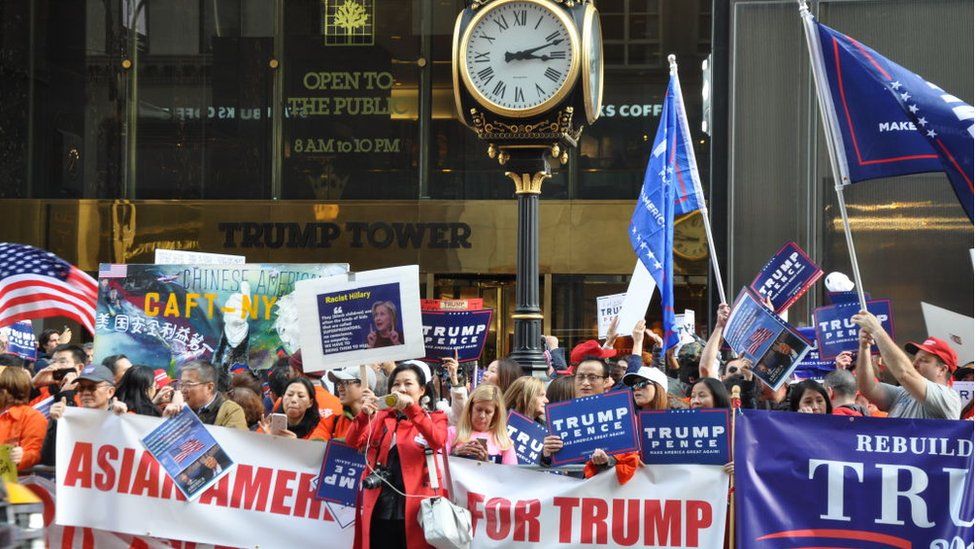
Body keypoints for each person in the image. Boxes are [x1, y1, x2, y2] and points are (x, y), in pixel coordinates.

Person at [345, 361, 448, 549]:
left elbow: (437, 440)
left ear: (422, 390)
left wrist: (411, 409)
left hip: (416, 510)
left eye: (408, 384)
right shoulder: (381, 417)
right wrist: (363, 415)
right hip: (379, 506)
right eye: (396, 384)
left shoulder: (435, 417)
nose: (401, 388)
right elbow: (353, 442)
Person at [852, 311, 961, 419]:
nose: (914, 364)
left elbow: (904, 373)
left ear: (942, 370)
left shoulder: (948, 398)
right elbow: (867, 388)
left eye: (923, 360)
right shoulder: (903, 393)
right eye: (915, 359)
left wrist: (877, 330)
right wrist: (864, 347)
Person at [41, 363, 123, 466]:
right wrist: (56, 422)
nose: (86, 392)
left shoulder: (121, 417)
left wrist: (121, 420)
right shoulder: (68, 418)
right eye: (81, 388)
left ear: (110, 392)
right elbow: (49, 460)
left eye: (92, 387)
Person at [163, 361, 247, 429]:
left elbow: (234, 446)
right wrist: (167, 420)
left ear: (209, 387)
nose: (182, 390)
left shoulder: (231, 411)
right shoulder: (178, 406)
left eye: (188, 384)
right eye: (181, 384)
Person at [447, 384, 516, 464]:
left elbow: (512, 475)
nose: (482, 416)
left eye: (488, 412)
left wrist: (486, 464)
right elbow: (437, 467)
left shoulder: (504, 441)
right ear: (470, 408)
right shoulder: (453, 432)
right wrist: (454, 454)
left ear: (496, 414)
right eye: (479, 409)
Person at [0, 367, 48, 470]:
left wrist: (22, 456)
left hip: (13, 481)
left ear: (7, 391)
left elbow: (34, 452)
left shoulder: (33, 417)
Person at [257, 377, 329, 440]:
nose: (293, 400)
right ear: (282, 398)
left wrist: (295, 445)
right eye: (289, 395)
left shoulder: (319, 428)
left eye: (300, 396)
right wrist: (266, 439)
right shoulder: (268, 425)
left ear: (310, 403)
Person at [323, 365, 377, 441]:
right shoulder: (338, 420)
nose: (339, 388)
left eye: (345, 382)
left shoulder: (380, 419)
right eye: (339, 384)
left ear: (364, 386)